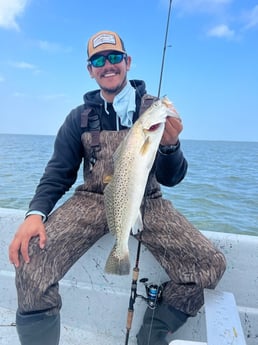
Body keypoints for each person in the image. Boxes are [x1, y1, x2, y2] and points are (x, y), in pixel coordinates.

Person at [9, 30, 226, 345]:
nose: (107, 65)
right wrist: (35, 213)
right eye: (99, 60)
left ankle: (152, 334)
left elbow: (172, 177)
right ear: (90, 69)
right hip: (92, 200)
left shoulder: (153, 110)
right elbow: (59, 171)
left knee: (210, 266)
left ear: (127, 62)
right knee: (30, 262)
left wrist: (170, 146)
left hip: (147, 201)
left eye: (114, 57)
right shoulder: (79, 118)